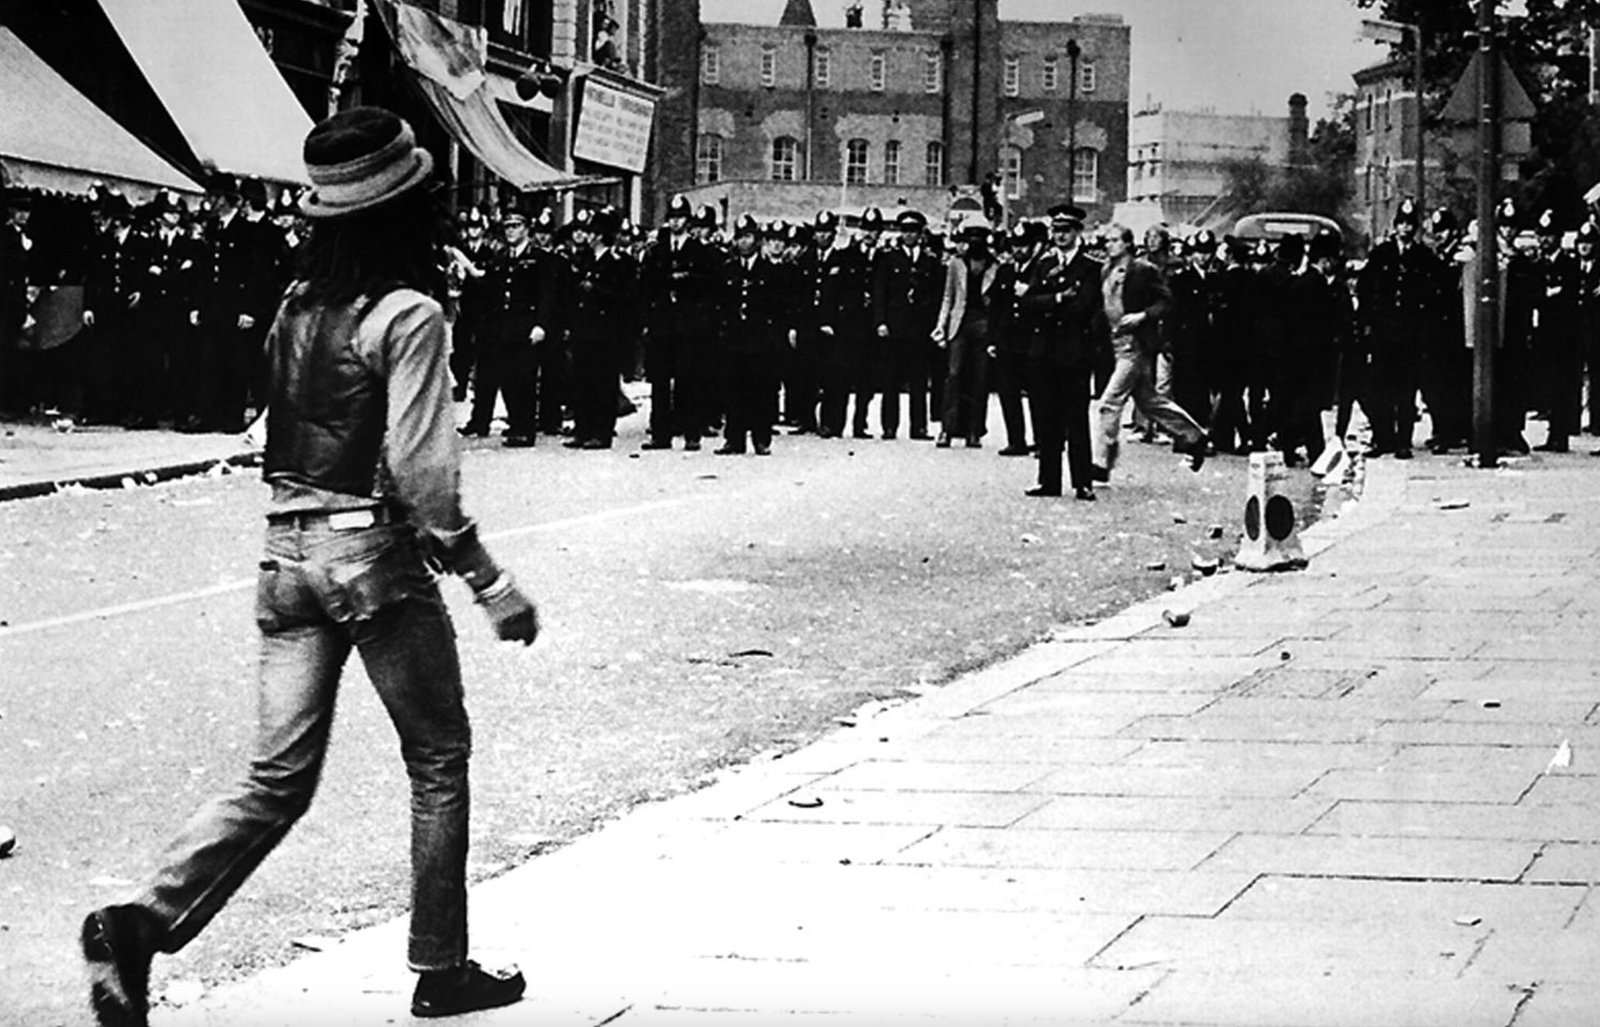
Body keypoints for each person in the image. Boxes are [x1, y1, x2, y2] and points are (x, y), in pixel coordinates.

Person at [79, 106, 538, 1026]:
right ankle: (441, 967)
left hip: (284, 555)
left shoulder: (295, 306)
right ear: (409, 212)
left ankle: (139, 922)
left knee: (276, 777)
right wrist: (489, 580)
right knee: (438, 758)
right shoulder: (410, 315)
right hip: (371, 557)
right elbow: (424, 476)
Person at [1090, 224, 1208, 480]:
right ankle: (1194, 436)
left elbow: (1166, 301)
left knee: (1109, 402)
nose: (1109, 245)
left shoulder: (1143, 270)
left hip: (1135, 345)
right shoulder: (1106, 270)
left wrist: (1142, 316)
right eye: (1107, 241)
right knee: (1149, 401)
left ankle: (1102, 462)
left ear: (1127, 244)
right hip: (1116, 343)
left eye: (1114, 240)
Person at [1020, 203, 1102, 499]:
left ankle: (1082, 481)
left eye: (1066, 230)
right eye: (1055, 230)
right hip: (1043, 350)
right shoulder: (1043, 264)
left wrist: (1049, 303)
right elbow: (1027, 302)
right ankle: (1048, 480)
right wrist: (1057, 298)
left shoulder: (1090, 266)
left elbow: (1082, 307)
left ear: (1078, 232)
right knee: (1046, 418)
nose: (1060, 236)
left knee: (1076, 419)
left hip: (1074, 350)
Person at [931, 219, 1001, 447]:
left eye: (979, 236)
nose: (975, 240)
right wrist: (941, 326)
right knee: (954, 374)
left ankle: (974, 430)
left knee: (980, 378)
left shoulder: (995, 265)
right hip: (960, 322)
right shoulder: (956, 264)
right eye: (971, 236)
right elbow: (948, 296)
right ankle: (947, 429)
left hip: (984, 323)